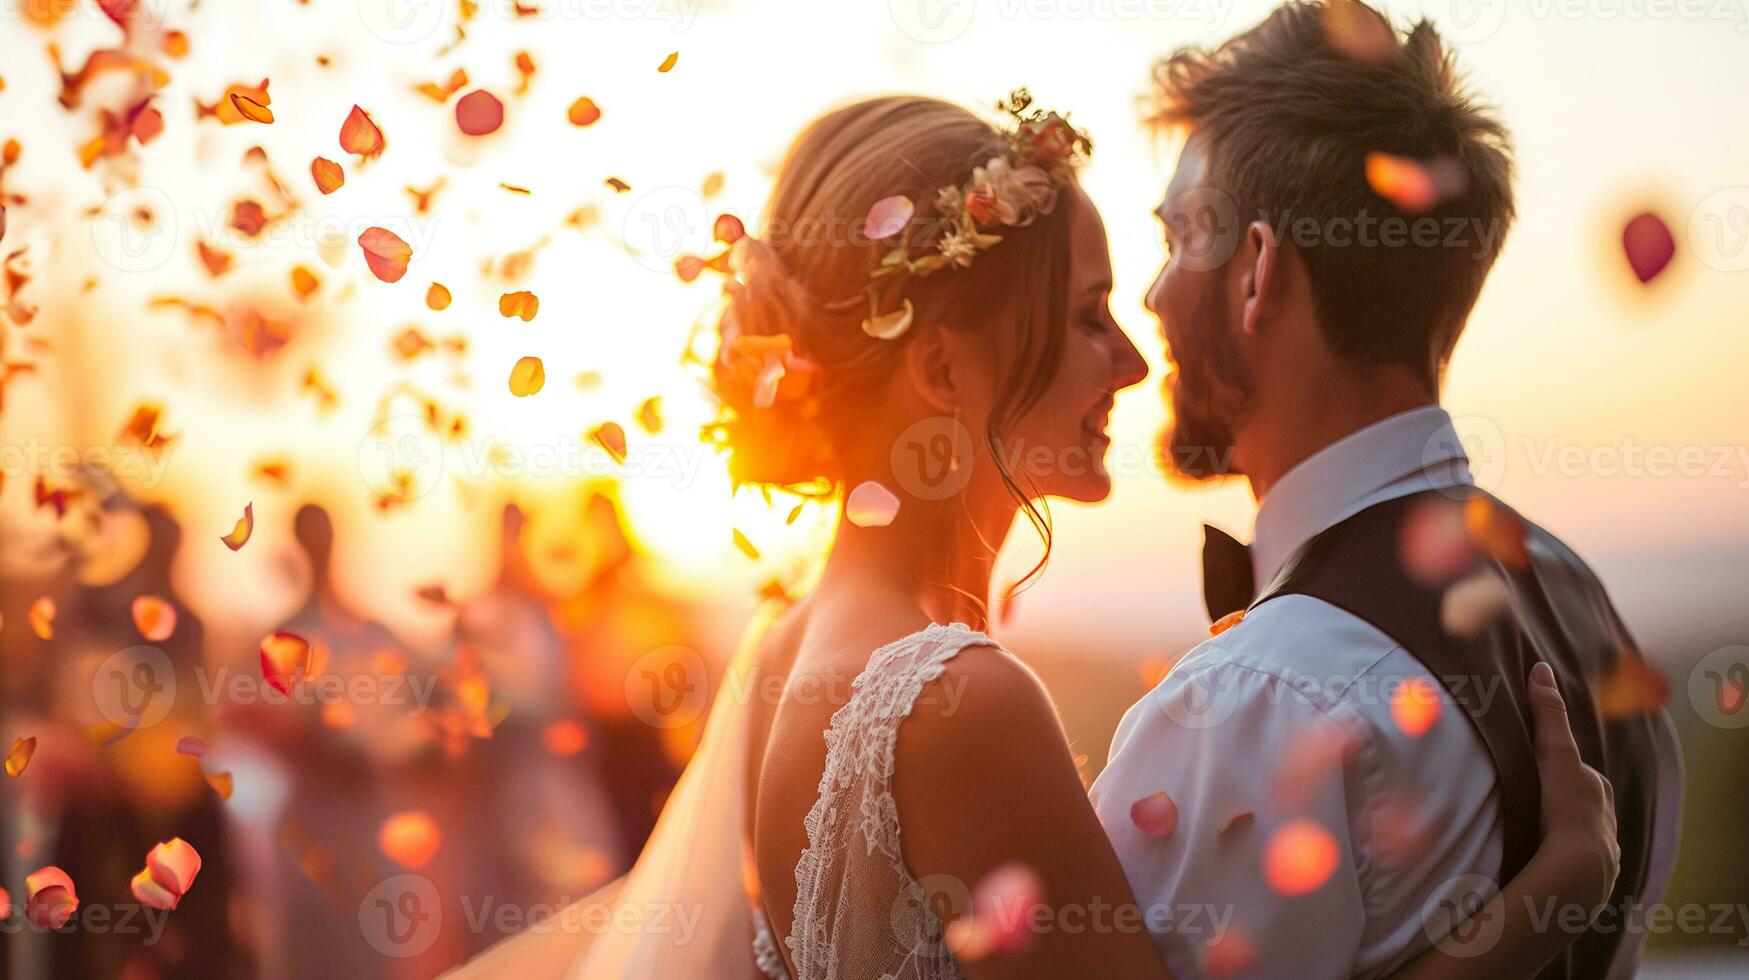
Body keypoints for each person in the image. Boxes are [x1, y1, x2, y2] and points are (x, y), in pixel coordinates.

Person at [451, 89, 1620, 980]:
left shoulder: (788, 643)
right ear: (945, 365)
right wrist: (1540, 906)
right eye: (1085, 315)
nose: (1129, 356)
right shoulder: (959, 700)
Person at [1090, 3, 1681, 977]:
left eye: (1177, 239)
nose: (1151, 296)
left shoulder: (1259, 699)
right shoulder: (1595, 615)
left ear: (1257, 272)